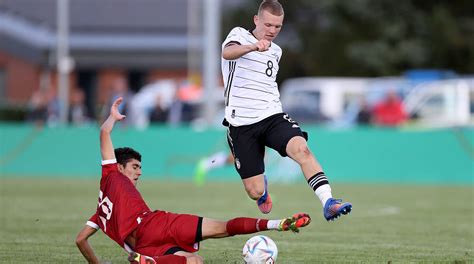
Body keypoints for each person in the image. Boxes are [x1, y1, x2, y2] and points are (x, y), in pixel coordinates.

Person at [75, 97, 311, 264]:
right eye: (135, 167)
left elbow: (80, 240)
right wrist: (112, 118)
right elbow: (105, 134)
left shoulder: (100, 213)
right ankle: (278, 224)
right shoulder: (112, 174)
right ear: (119, 167)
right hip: (157, 224)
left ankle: (151, 262)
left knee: (195, 262)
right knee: (223, 227)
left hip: (145, 247)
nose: (139, 173)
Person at [220, 0, 352, 220]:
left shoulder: (276, 51)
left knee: (303, 150)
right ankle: (263, 191)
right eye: (268, 25)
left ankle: (328, 201)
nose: (272, 31)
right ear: (256, 20)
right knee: (255, 191)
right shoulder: (240, 35)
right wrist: (254, 46)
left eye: (277, 27)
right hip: (241, 124)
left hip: (272, 116)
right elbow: (227, 53)